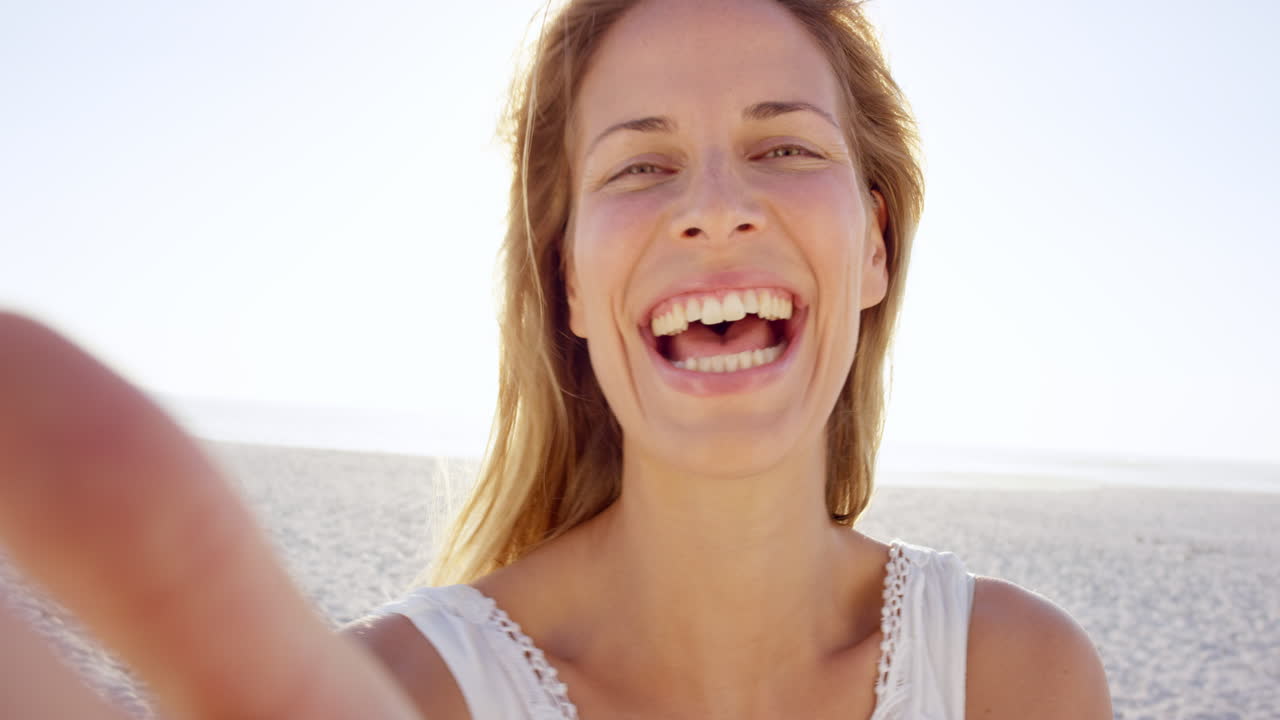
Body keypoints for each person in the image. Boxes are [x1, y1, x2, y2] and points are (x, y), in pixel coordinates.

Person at [0, 0, 1113, 718]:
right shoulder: (402, 697)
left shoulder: (1018, 681)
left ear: (873, 243)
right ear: (569, 282)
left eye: (783, 147)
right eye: (639, 167)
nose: (716, 210)